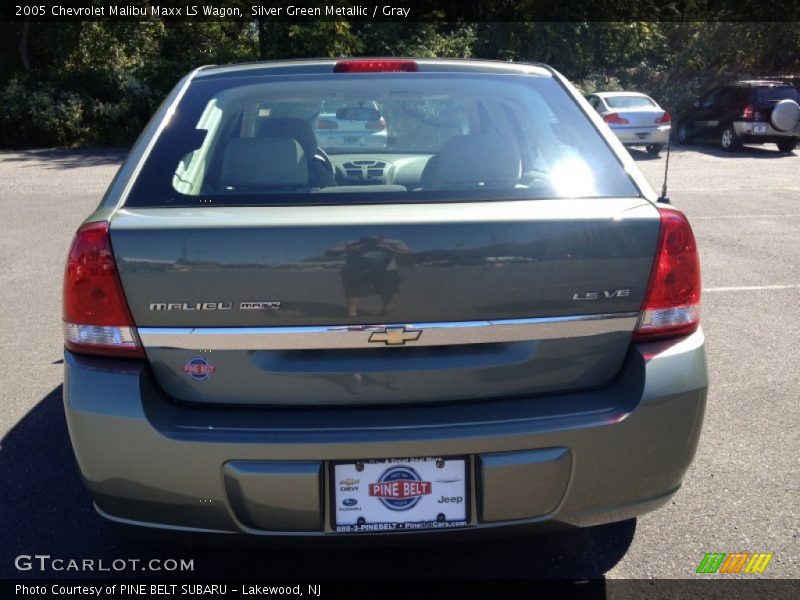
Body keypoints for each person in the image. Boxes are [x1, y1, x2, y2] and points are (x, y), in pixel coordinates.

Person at [327, 235, 411, 317]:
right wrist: (347, 249)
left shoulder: (393, 243)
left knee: (389, 290)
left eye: (374, 239)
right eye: (367, 240)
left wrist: (388, 248)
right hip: (357, 270)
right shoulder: (349, 243)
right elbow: (329, 252)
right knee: (353, 291)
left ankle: (387, 309)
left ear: (381, 238)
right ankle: (352, 313)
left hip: (386, 270)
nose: (370, 241)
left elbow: (407, 252)